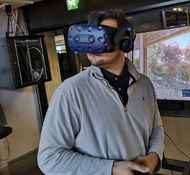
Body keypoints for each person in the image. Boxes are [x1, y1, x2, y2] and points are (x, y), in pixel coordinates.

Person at [37, 9, 164, 175]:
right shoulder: (70, 92)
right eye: (90, 35)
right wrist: (111, 168)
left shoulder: (144, 84)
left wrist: (154, 156)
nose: (92, 43)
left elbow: (156, 128)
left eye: (103, 36)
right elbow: (50, 159)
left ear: (125, 41)